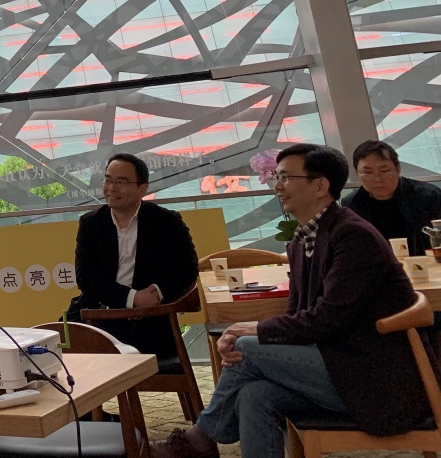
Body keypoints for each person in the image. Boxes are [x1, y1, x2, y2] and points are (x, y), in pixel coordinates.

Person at [150, 144, 435, 458]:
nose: (277, 186)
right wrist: (252, 330)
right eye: (277, 177)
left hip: (373, 378)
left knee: (246, 348)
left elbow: (329, 319)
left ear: (320, 186)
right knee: (254, 394)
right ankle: (202, 440)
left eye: (286, 178)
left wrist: (254, 330)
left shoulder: (354, 236)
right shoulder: (302, 239)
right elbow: (300, 314)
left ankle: (200, 439)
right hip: (337, 364)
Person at [65, 152, 198, 360]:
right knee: (56, 349)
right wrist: (132, 298)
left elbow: (187, 269)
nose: (111, 188)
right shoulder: (91, 223)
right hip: (99, 315)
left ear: (142, 189)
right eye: (108, 180)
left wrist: (155, 294)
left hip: (149, 319)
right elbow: (86, 278)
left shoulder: (166, 221)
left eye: (121, 182)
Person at [341, 138, 441, 257]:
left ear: (398, 169)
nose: (377, 179)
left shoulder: (429, 196)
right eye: (368, 173)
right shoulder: (352, 203)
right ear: (357, 173)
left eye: (384, 171)